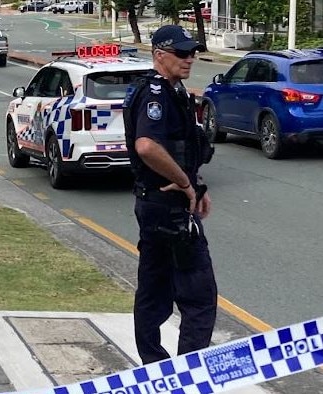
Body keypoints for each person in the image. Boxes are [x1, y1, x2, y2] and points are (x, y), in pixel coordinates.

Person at [122, 24, 217, 365]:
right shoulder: (156, 95)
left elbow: (182, 148)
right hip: (169, 208)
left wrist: (197, 183)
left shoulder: (174, 92)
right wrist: (186, 184)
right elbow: (147, 146)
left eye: (192, 52)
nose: (189, 58)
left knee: (154, 291)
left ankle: (155, 368)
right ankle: (187, 373)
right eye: (181, 53)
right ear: (159, 55)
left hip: (155, 204)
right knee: (200, 298)